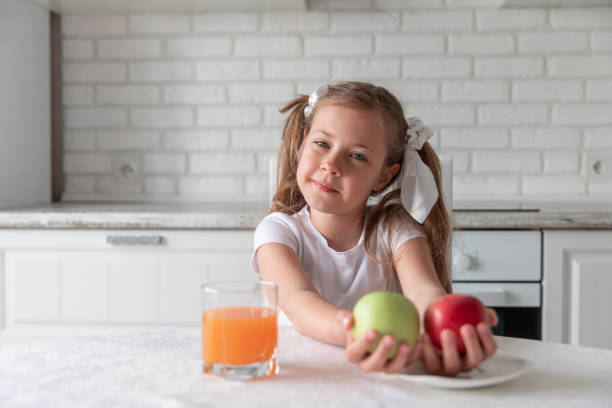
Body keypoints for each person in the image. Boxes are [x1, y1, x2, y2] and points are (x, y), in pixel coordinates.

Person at [251, 81, 498, 375]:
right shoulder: (277, 232)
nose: (331, 165)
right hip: (305, 377)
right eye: (322, 144)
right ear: (303, 143)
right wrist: (358, 332)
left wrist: (442, 331)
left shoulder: (395, 229)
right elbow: (297, 301)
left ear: (383, 177)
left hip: (384, 377)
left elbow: (424, 292)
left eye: (357, 156)